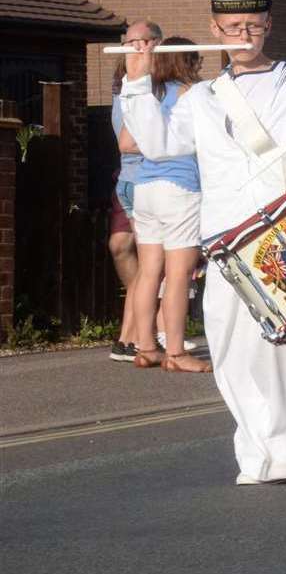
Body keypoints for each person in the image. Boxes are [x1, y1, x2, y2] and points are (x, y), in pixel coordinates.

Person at [120, 0, 286, 485]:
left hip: (283, 232)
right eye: (232, 26)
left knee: (275, 342)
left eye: (253, 25)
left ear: (269, 25)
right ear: (215, 29)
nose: (244, 34)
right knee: (227, 342)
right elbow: (159, 144)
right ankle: (254, 446)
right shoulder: (204, 96)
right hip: (225, 238)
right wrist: (138, 81)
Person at [121, 39, 209, 372]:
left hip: (145, 187)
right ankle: (176, 352)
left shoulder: (151, 95)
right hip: (181, 188)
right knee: (178, 275)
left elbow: (128, 142)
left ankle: (145, 347)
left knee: (148, 272)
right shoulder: (196, 94)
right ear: (189, 62)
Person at [108, 23, 159, 363]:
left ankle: (134, 337)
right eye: (132, 43)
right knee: (150, 265)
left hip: (138, 181)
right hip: (142, 181)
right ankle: (133, 339)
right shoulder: (135, 91)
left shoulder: (146, 88)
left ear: (157, 44)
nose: (138, 48)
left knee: (150, 264)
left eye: (143, 42)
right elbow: (127, 142)